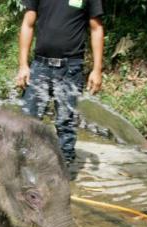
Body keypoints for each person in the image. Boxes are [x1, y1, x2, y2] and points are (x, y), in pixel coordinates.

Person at [16, 0, 104, 166]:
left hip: (71, 69)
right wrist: (23, 65)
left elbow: (96, 28)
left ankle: (63, 176)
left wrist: (97, 69)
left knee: (66, 124)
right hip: (39, 66)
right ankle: (23, 170)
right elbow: (27, 24)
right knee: (27, 121)